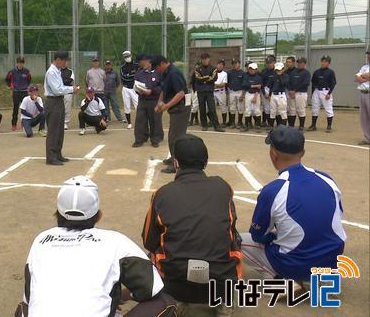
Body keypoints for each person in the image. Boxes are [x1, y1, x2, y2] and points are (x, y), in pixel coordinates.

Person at [20, 175, 168, 317]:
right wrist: (124, 295)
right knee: (163, 302)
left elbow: (29, 298)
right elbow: (151, 287)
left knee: (23, 308)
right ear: (98, 215)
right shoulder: (115, 241)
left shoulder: (41, 240)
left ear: (57, 213)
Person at [142, 134, 241, 316]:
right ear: (205, 163)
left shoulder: (162, 194)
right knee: (233, 239)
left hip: (177, 283)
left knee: (153, 252)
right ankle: (225, 302)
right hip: (220, 280)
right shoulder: (223, 187)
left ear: (176, 163)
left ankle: (176, 301)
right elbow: (231, 229)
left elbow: (148, 240)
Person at [241, 125, 346, 284]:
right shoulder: (326, 179)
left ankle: (279, 279)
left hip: (295, 265)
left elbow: (258, 235)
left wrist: (273, 236)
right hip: (332, 262)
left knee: (236, 240)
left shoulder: (273, 190)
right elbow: (337, 214)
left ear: (273, 154)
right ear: (302, 152)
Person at [152, 55, 190, 174]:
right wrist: (159, 103)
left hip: (181, 108)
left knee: (176, 137)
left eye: (158, 68)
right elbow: (164, 90)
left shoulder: (174, 73)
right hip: (175, 109)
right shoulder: (165, 73)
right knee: (172, 135)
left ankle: (176, 164)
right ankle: (174, 157)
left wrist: (166, 106)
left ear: (162, 64)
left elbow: (181, 93)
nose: (157, 71)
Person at [44, 50, 79, 166]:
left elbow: (60, 88)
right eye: (63, 61)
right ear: (58, 60)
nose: (65, 63)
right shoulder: (51, 72)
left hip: (59, 101)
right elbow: (57, 90)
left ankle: (58, 153)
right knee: (53, 130)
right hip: (52, 101)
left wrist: (70, 89)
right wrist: (71, 89)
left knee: (59, 129)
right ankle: (51, 156)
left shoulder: (57, 71)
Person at [133, 54, 164, 148]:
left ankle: (155, 139)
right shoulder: (139, 73)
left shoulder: (158, 73)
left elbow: (161, 87)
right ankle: (139, 139)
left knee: (154, 120)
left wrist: (152, 91)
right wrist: (139, 91)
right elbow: (135, 85)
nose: (141, 63)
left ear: (149, 61)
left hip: (154, 100)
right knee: (140, 119)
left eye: (143, 61)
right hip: (142, 100)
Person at [195, 53, 224, 132]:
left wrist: (204, 79)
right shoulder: (198, 69)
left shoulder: (213, 68)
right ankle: (204, 125)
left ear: (209, 59)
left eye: (206, 59)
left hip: (209, 91)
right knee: (202, 108)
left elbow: (214, 78)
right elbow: (198, 78)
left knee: (212, 108)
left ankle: (216, 126)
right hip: (200, 91)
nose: (205, 60)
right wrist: (207, 77)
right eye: (203, 59)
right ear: (201, 59)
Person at [309, 55, 337, 133]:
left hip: (326, 91)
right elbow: (313, 83)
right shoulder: (316, 72)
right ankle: (313, 125)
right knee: (314, 108)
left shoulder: (330, 72)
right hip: (317, 91)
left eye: (325, 61)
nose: (323, 63)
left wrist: (329, 93)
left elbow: (333, 83)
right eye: (322, 61)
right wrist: (312, 93)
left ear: (328, 63)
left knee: (328, 109)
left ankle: (329, 126)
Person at [6, 56, 32, 131]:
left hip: (24, 92)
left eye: (22, 63)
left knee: (25, 109)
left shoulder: (27, 71)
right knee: (15, 109)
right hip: (16, 92)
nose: (20, 64)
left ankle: (25, 123)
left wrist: (27, 86)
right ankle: (14, 124)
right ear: (16, 63)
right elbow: (7, 79)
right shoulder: (12, 71)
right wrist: (10, 85)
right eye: (19, 63)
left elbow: (29, 79)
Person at [287, 58, 311, 130]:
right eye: (298, 62)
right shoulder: (293, 72)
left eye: (301, 63)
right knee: (292, 110)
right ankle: (291, 126)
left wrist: (295, 90)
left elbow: (305, 83)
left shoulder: (306, 73)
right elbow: (288, 82)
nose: (299, 64)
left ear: (304, 63)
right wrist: (290, 90)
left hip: (301, 93)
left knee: (300, 110)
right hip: (292, 93)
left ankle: (301, 126)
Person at [240, 62, 263, 132]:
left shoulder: (258, 77)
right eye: (250, 69)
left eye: (253, 69)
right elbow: (245, 85)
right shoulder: (246, 76)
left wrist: (255, 97)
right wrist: (242, 95)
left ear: (256, 70)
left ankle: (258, 125)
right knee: (247, 110)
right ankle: (246, 125)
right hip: (248, 94)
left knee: (256, 110)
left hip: (256, 94)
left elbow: (259, 88)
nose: (251, 70)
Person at [265, 62, 290, 127]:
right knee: (272, 111)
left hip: (281, 95)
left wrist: (279, 76)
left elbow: (284, 84)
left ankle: (283, 127)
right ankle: (271, 126)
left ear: (283, 69)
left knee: (282, 111)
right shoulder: (274, 76)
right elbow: (269, 85)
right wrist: (268, 94)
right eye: (277, 70)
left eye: (279, 70)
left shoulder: (286, 76)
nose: (278, 71)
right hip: (273, 95)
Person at [120, 50, 139, 129]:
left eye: (128, 56)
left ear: (131, 56)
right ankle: (129, 123)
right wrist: (133, 74)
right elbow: (124, 77)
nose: (127, 58)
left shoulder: (136, 65)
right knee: (127, 106)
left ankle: (140, 122)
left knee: (138, 106)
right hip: (126, 88)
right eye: (125, 57)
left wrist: (130, 75)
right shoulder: (122, 67)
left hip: (135, 88)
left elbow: (139, 75)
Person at [354, 50, 370, 145]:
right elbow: (356, 78)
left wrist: (362, 77)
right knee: (364, 117)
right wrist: (365, 77)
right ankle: (367, 137)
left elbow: (363, 76)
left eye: (369, 54)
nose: (368, 56)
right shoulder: (364, 66)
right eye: (368, 54)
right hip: (362, 93)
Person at [227, 59, 245, 129]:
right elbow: (227, 82)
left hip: (240, 92)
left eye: (236, 63)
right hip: (232, 91)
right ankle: (232, 122)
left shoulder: (242, 73)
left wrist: (243, 94)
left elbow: (244, 85)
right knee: (232, 107)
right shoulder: (230, 73)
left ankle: (240, 122)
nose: (235, 65)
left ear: (239, 64)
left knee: (240, 107)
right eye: (233, 63)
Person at [260, 55, 277, 127]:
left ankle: (274, 123)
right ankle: (268, 123)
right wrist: (264, 93)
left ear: (274, 62)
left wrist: (270, 94)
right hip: (266, 90)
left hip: (274, 90)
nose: (269, 64)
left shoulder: (277, 71)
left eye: (271, 62)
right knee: (266, 108)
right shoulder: (264, 71)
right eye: (268, 63)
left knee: (274, 107)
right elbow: (261, 83)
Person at [214, 59, 229, 127]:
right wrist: (217, 85)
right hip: (213, 92)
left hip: (221, 92)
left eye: (221, 65)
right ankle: (213, 121)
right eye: (219, 64)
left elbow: (223, 84)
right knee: (211, 107)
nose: (220, 66)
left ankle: (224, 122)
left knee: (223, 107)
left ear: (223, 66)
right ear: (217, 65)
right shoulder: (213, 72)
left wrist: (215, 85)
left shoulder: (224, 74)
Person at [60, 62, 75, 130]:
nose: (64, 63)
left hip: (68, 92)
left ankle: (65, 123)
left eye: (65, 62)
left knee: (67, 108)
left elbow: (71, 80)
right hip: (59, 92)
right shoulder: (57, 71)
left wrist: (62, 82)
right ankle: (59, 122)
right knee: (59, 108)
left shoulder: (70, 71)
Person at [188, 62, 200, 126]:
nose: (197, 66)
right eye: (196, 65)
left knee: (195, 106)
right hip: (194, 90)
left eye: (198, 65)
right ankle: (196, 119)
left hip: (198, 91)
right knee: (194, 105)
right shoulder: (194, 73)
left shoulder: (201, 73)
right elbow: (191, 82)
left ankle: (191, 121)